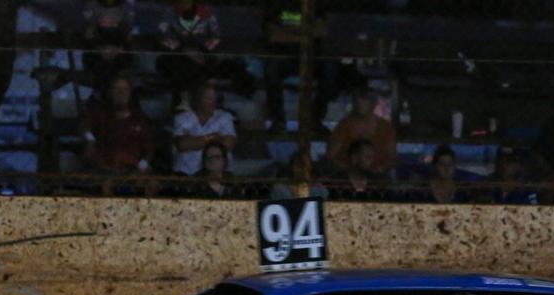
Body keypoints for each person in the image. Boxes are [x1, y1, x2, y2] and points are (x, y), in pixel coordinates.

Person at [261, 0, 342, 131]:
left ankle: (316, 120)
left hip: (312, 57)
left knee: (330, 68)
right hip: (284, 57)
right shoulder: (276, 4)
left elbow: (322, 30)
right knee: (271, 68)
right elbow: (274, 35)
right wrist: (307, 32)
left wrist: (289, 31)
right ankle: (278, 120)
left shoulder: (316, 4)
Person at [155, 1, 254, 107]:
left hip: (203, 56)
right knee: (181, 67)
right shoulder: (169, 13)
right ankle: (183, 104)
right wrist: (182, 50)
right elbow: (162, 36)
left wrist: (202, 52)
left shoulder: (207, 13)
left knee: (217, 68)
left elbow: (216, 36)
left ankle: (205, 105)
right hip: (178, 56)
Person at [81, 74, 155, 195]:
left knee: (151, 184)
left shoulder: (140, 119)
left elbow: (149, 148)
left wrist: (141, 166)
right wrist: (90, 140)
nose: (121, 93)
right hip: (105, 169)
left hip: (133, 169)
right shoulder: (100, 114)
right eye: (117, 88)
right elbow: (84, 127)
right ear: (110, 92)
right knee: (106, 184)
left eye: (125, 89)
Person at [327, 86, 396, 176]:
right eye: (356, 99)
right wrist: (347, 170)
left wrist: (380, 170)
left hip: (377, 178)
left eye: (364, 99)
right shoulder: (344, 125)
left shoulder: (385, 127)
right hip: (348, 178)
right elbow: (331, 155)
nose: (359, 102)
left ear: (373, 103)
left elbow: (392, 157)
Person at [172, 82, 236, 176]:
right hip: (186, 175)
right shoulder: (182, 118)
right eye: (209, 99)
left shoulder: (224, 117)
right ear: (197, 100)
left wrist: (195, 141)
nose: (213, 102)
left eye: (215, 99)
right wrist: (214, 137)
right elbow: (182, 145)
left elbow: (229, 144)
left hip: (219, 176)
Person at [81, 0, 136, 91]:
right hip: (96, 51)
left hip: (120, 50)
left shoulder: (127, 7)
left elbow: (129, 33)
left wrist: (120, 49)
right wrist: (98, 49)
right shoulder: (91, 5)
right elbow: (88, 33)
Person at [330, 139, 401, 201]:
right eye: (367, 157)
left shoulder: (378, 183)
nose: (371, 161)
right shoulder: (336, 182)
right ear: (354, 158)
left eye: (372, 157)